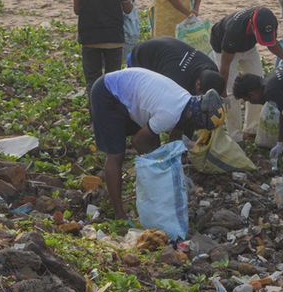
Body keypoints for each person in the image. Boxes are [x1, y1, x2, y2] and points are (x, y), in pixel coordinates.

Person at [88, 68, 222, 218]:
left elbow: (175, 138)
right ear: (196, 117)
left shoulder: (187, 102)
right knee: (116, 154)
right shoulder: (171, 114)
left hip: (129, 91)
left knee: (153, 143)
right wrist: (157, 171)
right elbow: (138, 141)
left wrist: (174, 172)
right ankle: (119, 213)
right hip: (108, 92)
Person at [209, 6, 283, 136]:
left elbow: (272, 44)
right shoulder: (234, 30)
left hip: (248, 47)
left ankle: (252, 129)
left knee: (259, 84)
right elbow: (225, 67)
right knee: (231, 92)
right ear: (252, 26)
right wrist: (223, 91)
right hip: (224, 48)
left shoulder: (269, 21)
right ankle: (235, 135)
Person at [128, 37, 223, 95]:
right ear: (198, 86)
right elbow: (169, 107)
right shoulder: (176, 82)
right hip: (140, 57)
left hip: (165, 46)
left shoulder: (212, 67)